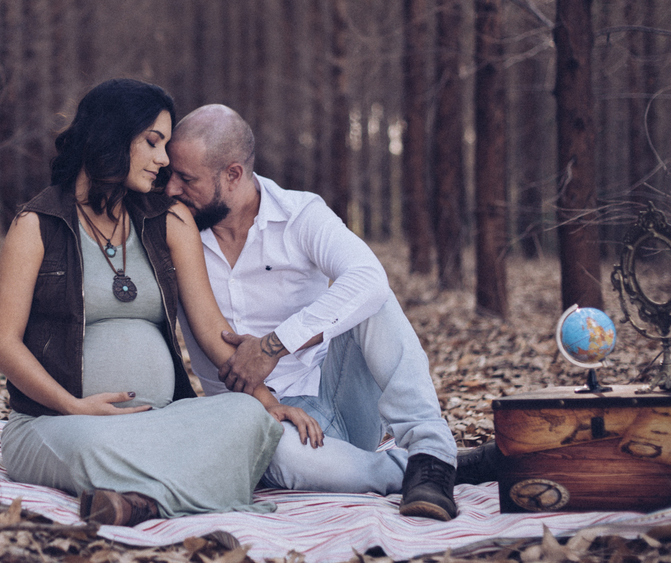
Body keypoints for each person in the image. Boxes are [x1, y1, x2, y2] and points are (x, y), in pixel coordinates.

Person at [0, 80, 319, 527]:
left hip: (160, 421)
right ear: (109, 136)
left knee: (247, 417)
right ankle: (191, 493)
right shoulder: (37, 225)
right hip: (58, 423)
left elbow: (210, 327)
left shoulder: (168, 219)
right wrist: (74, 406)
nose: (164, 160)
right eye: (152, 142)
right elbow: (3, 346)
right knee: (93, 446)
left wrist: (263, 399)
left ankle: (140, 503)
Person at [165, 104, 467, 520]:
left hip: (337, 400)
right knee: (278, 455)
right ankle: (434, 470)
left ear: (233, 174)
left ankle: (431, 450)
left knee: (369, 292)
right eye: (170, 175)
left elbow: (368, 280)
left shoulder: (300, 214)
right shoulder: (174, 230)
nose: (171, 189)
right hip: (260, 422)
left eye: (186, 179)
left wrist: (274, 346)